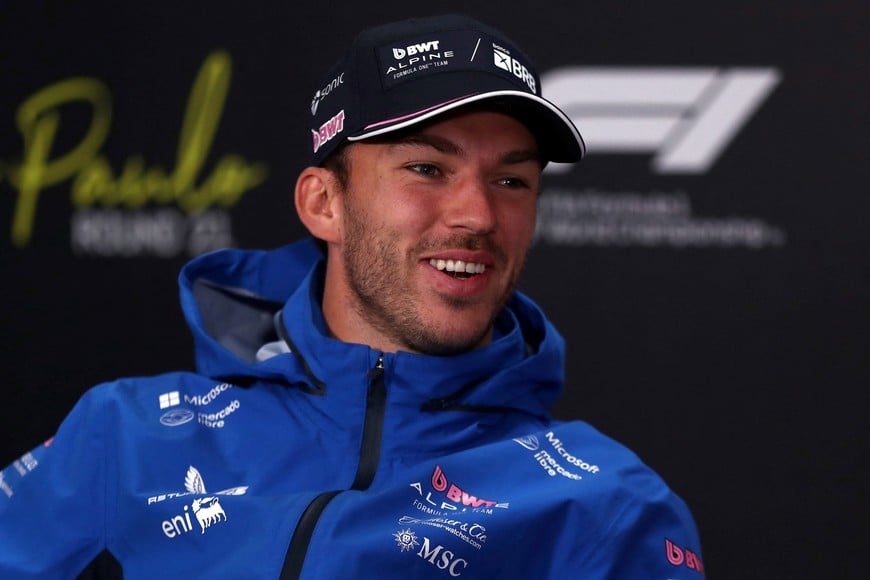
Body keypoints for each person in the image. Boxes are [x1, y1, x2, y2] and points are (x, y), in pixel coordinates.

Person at [0, 13, 703, 579]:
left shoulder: (603, 503)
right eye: (427, 167)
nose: (479, 216)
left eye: (511, 181)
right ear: (323, 203)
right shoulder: (125, 434)